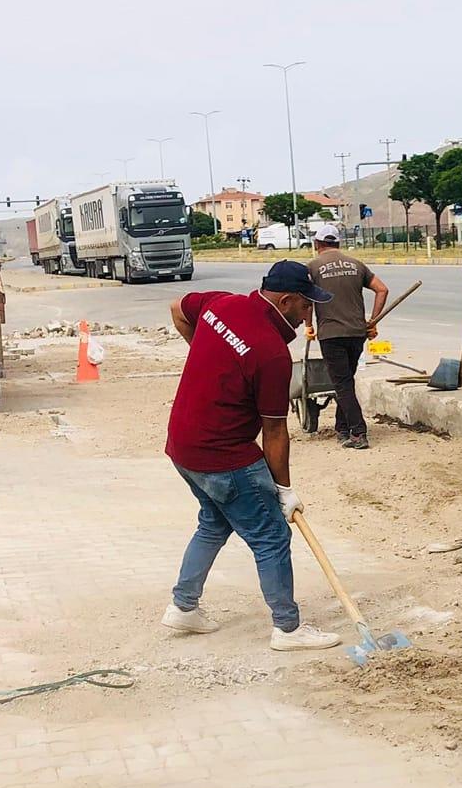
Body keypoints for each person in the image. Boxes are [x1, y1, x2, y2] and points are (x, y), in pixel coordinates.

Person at [162, 259, 343, 652]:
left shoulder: (221, 305)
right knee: (272, 536)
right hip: (222, 454)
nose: (309, 312)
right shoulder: (272, 353)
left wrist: (210, 356)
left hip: (182, 445)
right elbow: (275, 430)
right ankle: (288, 629)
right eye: (306, 305)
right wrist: (284, 489)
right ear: (287, 300)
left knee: (214, 522)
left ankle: (183, 606)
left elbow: (178, 309)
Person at [303, 221, 389, 449]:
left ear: (317, 243)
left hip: (331, 334)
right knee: (346, 381)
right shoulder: (356, 264)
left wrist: (308, 325)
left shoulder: (312, 267)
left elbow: (307, 300)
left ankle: (359, 432)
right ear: (338, 243)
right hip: (356, 332)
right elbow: (382, 289)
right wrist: (373, 321)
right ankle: (342, 428)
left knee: (341, 384)